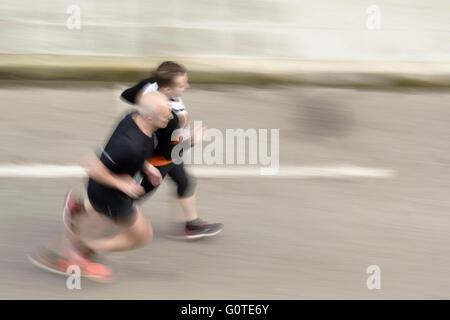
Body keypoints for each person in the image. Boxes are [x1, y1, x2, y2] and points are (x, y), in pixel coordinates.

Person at [28, 92, 173, 281]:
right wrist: (121, 183)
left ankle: (79, 210)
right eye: (165, 114)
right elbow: (91, 165)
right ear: (149, 117)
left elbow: (131, 155)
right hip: (110, 194)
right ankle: (77, 254)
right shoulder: (129, 146)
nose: (170, 117)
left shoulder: (132, 118)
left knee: (101, 220)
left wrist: (145, 166)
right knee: (142, 235)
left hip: (106, 190)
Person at [121, 61, 223, 240]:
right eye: (182, 85)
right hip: (157, 160)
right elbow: (167, 151)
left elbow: (126, 95)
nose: (187, 86)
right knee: (127, 200)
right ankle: (84, 211)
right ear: (167, 90)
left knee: (184, 183)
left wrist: (145, 107)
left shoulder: (151, 83)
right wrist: (192, 140)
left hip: (167, 151)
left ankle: (192, 225)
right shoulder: (169, 117)